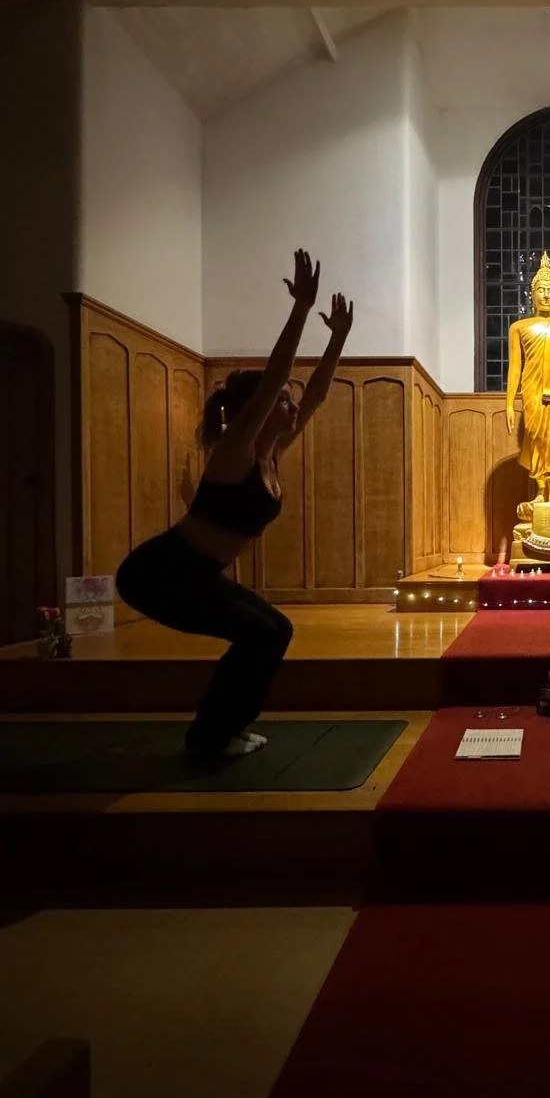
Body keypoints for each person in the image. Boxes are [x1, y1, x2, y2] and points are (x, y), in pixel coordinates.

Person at [116, 250, 353, 759]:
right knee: (259, 637)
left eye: (288, 402)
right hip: (161, 572)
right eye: (281, 402)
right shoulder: (236, 450)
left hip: (199, 573)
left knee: (276, 631)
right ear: (256, 410)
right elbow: (276, 380)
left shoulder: (272, 452)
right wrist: (300, 310)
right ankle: (208, 741)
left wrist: (337, 339)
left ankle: (229, 727)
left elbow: (313, 395)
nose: (292, 406)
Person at [505, 252, 550, 501]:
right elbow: (515, 367)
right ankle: (539, 490)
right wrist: (508, 404)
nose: (546, 295)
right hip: (532, 390)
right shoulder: (519, 327)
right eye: (541, 290)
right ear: (532, 294)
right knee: (535, 436)